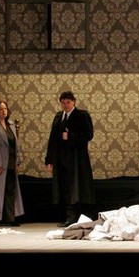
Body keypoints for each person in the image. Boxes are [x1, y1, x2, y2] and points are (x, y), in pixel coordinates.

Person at [45, 91, 95, 227]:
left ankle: (75, 218)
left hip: (77, 159)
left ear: (74, 102)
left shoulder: (82, 115)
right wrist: (49, 160)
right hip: (60, 158)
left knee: (76, 187)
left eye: (68, 102)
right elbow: (52, 139)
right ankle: (68, 217)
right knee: (64, 187)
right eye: (63, 103)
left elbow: (89, 134)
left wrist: (71, 136)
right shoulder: (58, 116)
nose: (65, 105)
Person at [0, 100, 24, 227]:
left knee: (10, 190)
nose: (3, 111)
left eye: (5, 109)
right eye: (1, 109)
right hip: (0, 162)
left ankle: (10, 217)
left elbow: (16, 144)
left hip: (11, 161)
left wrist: (18, 162)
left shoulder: (11, 124)